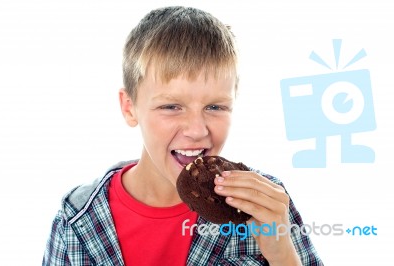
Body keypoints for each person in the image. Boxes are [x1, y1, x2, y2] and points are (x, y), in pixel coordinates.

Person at [43, 6, 323, 266]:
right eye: (171, 106)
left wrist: (282, 255)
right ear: (130, 108)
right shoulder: (78, 218)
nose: (197, 130)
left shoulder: (265, 204)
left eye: (215, 106)